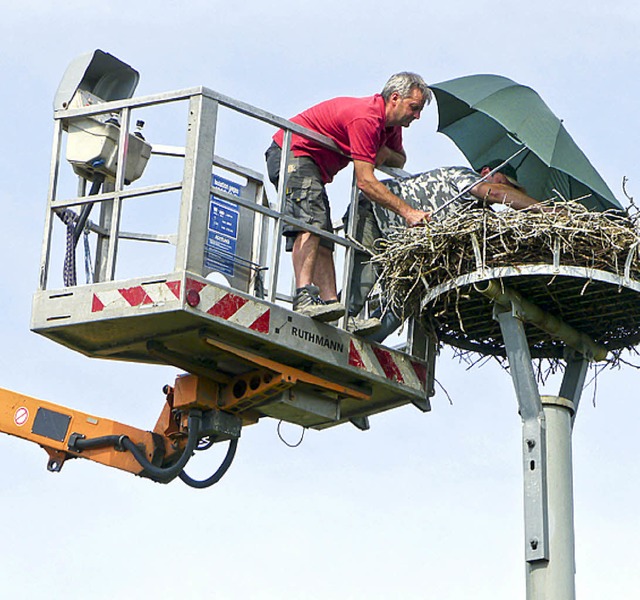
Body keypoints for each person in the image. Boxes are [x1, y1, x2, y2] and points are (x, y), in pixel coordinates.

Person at [265, 72, 432, 324]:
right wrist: (408, 212)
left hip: (313, 167)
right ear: (395, 98)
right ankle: (304, 297)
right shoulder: (366, 118)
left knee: (324, 231)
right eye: (414, 108)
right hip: (292, 152)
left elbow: (400, 158)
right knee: (311, 221)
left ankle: (333, 309)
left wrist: (383, 151)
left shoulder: (389, 127)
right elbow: (365, 181)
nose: (417, 116)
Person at [349, 160, 552, 341]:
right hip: (375, 210)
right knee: (361, 284)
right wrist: (548, 211)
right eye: (503, 180)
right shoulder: (465, 177)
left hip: (399, 243)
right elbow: (497, 193)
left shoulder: (479, 214)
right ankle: (331, 325)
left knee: (404, 303)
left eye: (511, 187)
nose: (505, 187)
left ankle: (361, 343)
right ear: (486, 171)